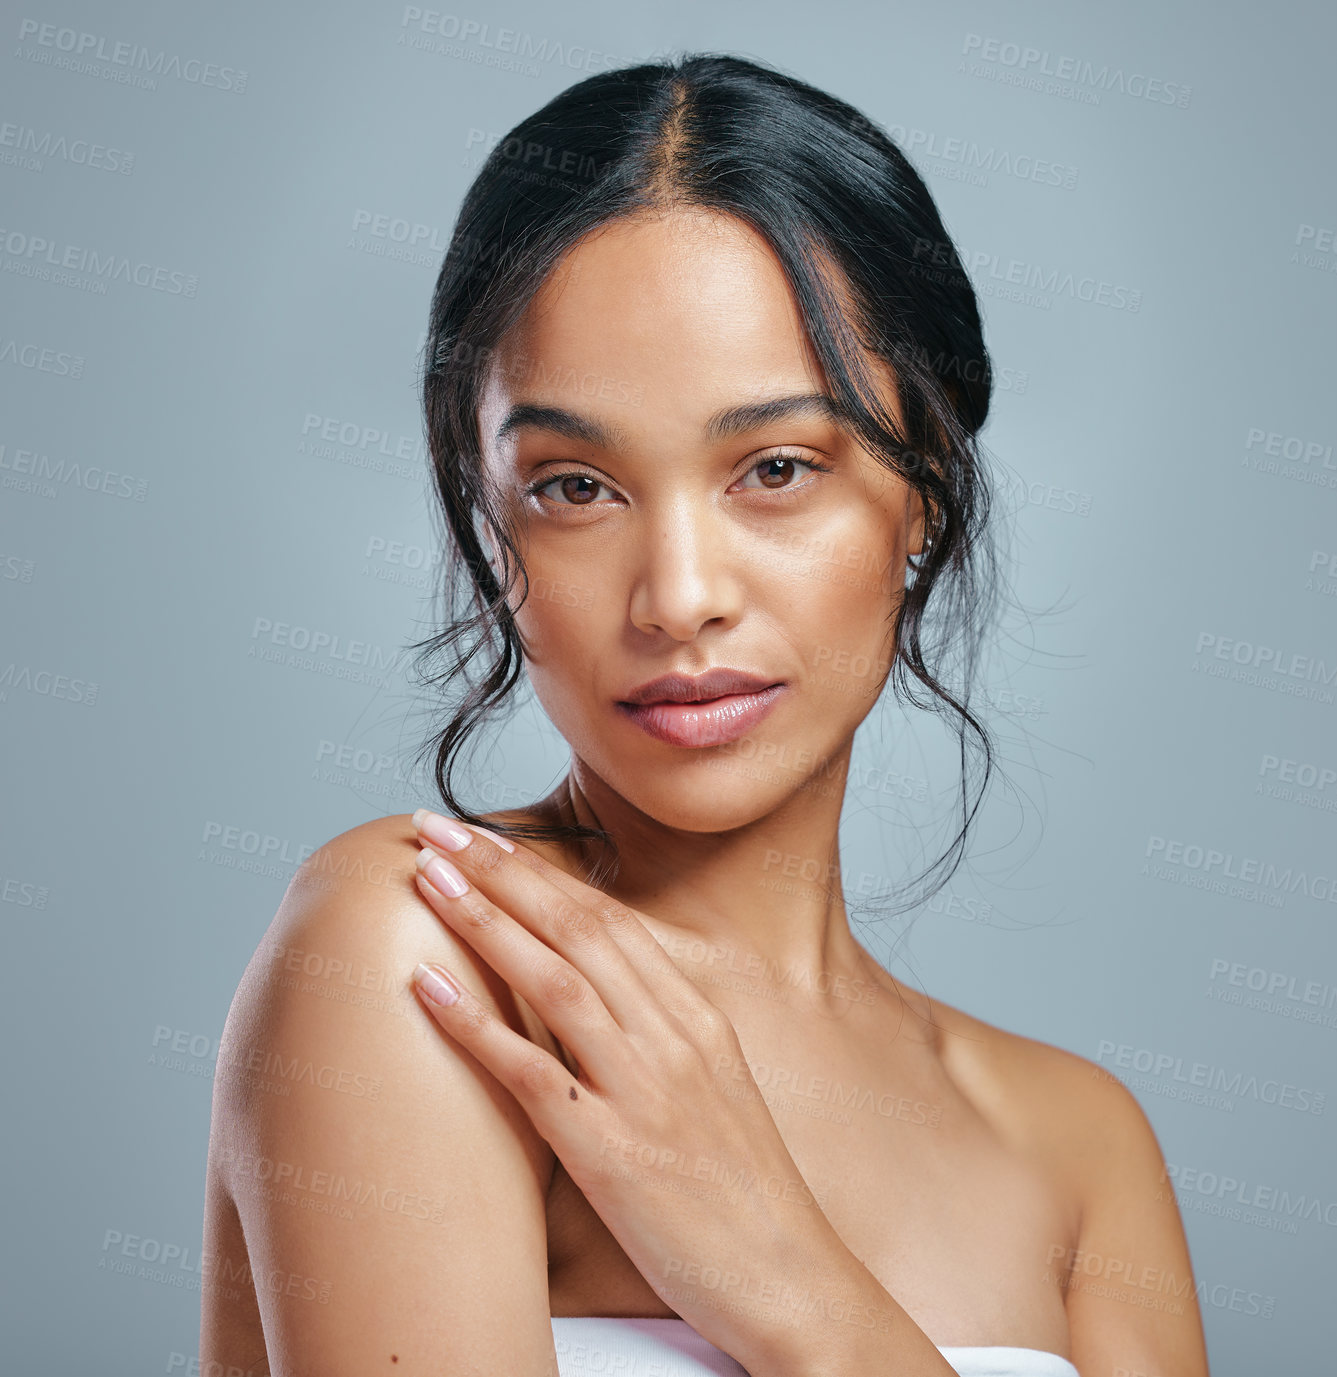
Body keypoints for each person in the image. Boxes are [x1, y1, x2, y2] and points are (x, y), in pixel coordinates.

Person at [200, 52, 1210, 1377]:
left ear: (924, 493)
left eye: (776, 467)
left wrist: (793, 1286)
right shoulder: (425, 964)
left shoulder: (1080, 1145)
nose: (678, 597)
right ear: (486, 514)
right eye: (574, 485)